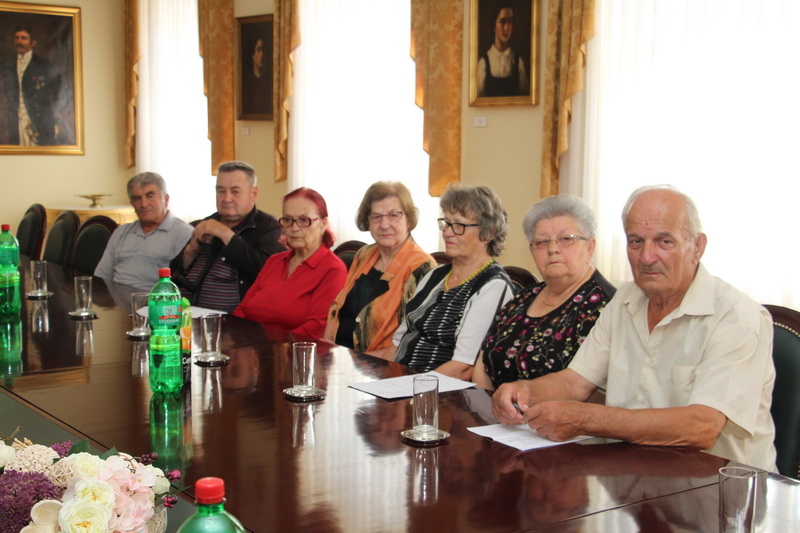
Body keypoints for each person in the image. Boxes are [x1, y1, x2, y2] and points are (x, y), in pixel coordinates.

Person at [493, 185, 776, 472]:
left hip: (719, 487)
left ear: (697, 247)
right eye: (636, 241)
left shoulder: (736, 317)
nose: (647, 257)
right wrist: (525, 389)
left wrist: (586, 419)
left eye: (664, 241)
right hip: (630, 478)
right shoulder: (625, 299)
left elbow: (702, 427)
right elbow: (576, 382)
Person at [472, 195, 616, 390]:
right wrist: (482, 404)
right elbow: (483, 364)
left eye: (566, 239)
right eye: (542, 242)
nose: (553, 249)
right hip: (492, 407)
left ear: (590, 247)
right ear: (532, 250)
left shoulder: (606, 307)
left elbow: (592, 391)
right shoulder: (523, 297)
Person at [378, 184, 514, 380]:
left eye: (459, 225)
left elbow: (463, 367)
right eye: (447, 223)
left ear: (489, 233)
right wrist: (379, 381)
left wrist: (408, 388)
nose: (448, 232)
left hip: (441, 392)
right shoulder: (435, 275)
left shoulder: (492, 285)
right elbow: (398, 343)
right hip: (402, 382)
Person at [323, 182, 437, 352]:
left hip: (379, 364)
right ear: (367, 221)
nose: (384, 225)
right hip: (339, 357)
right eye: (376, 216)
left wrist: (356, 362)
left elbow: (409, 343)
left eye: (393, 215)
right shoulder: (364, 254)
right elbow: (336, 310)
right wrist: (326, 350)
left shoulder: (421, 268)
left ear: (408, 219)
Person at [170, 161, 285, 312]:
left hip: (236, 320)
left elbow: (268, 272)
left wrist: (225, 234)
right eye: (221, 191)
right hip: (187, 314)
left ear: (253, 194)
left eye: (235, 192)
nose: (226, 199)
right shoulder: (204, 224)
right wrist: (190, 251)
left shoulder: (268, 226)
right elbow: (172, 276)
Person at [233, 187, 347, 338]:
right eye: (287, 220)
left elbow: (315, 329)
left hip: (293, 350)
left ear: (323, 224)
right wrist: (233, 338)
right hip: (249, 346)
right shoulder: (274, 261)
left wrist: (266, 346)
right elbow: (242, 309)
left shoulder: (333, 269)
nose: (294, 228)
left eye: (304, 220)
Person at [94, 172, 193, 291]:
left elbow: (184, 286)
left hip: (156, 300)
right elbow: (104, 277)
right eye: (137, 198)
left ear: (166, 199)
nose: (144, 204)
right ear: (132, 204)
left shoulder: (184, 233)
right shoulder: (120, 233)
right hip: (118, 300)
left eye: (150, 196)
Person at [3, 26, 63, 145]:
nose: (19, 41)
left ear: (33, 43)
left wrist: (56, 117)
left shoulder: (44, 65)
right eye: (17, 38)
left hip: (39, 120)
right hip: (16, 121)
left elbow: (59, 92)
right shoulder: (8, 66)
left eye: (23, 38)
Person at [476, 0, 529, 98]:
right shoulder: (483, 64)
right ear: (494, 26)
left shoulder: (518, 62)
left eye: (510, 22)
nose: (507, 28)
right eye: (502, 22)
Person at [241, 35, 271, 115]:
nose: (262, 54)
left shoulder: (269, 82)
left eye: (263, 50)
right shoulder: (246, 83)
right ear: (252, 55)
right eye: (258, 50)